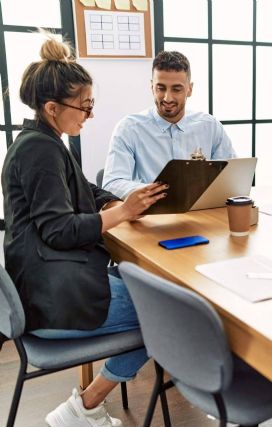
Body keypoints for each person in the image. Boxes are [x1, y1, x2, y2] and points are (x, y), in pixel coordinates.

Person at [2, 33, 167, 426]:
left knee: (153, 296)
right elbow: (59, 230)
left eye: (91, 105)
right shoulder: (40, 150)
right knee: (164, 312)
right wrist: (123, 212)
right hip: (53, 299)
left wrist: (112, 202)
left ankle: (83, 408)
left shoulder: (41, 141)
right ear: (52, 107)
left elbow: (82, 189)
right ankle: (84, 407)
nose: (89, 116)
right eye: (84, 107)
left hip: (43, 285)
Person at [102, 50, 236, 199]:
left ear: (189, 89)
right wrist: (157, 191)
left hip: (201, 212)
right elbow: (112, 184)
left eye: (176, 89)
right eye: (161, 88)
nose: (167, 98)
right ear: (152, 87)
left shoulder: (210, 126)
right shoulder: (129, 129)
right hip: (152, 214)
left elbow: (232, 177)